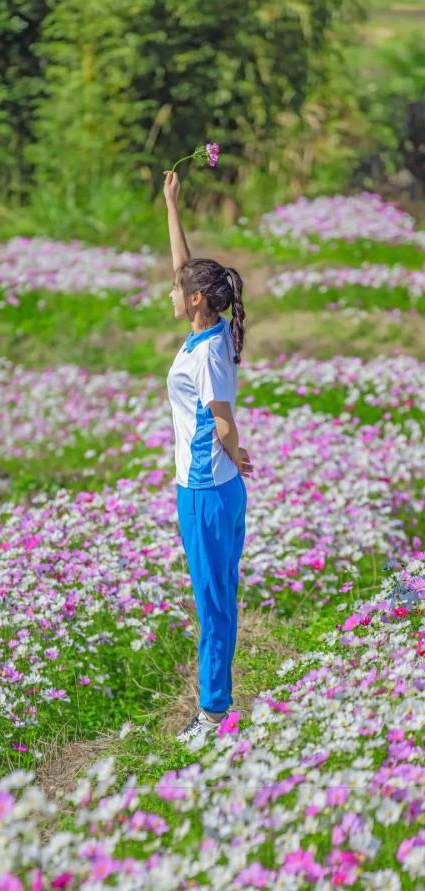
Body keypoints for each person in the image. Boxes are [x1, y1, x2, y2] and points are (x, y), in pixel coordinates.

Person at [163, 168, 254, 746]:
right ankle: (212, 705)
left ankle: (213, 713)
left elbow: (221, 420)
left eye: (177, 290)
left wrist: (237, 452)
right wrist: (171, 205)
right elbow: (184, 269)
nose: (169, 292)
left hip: (207, 492)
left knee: (213, 600)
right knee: (214, 593)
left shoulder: (209, 354)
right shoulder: (206, 330)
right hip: (202, 489)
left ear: (196, 301)